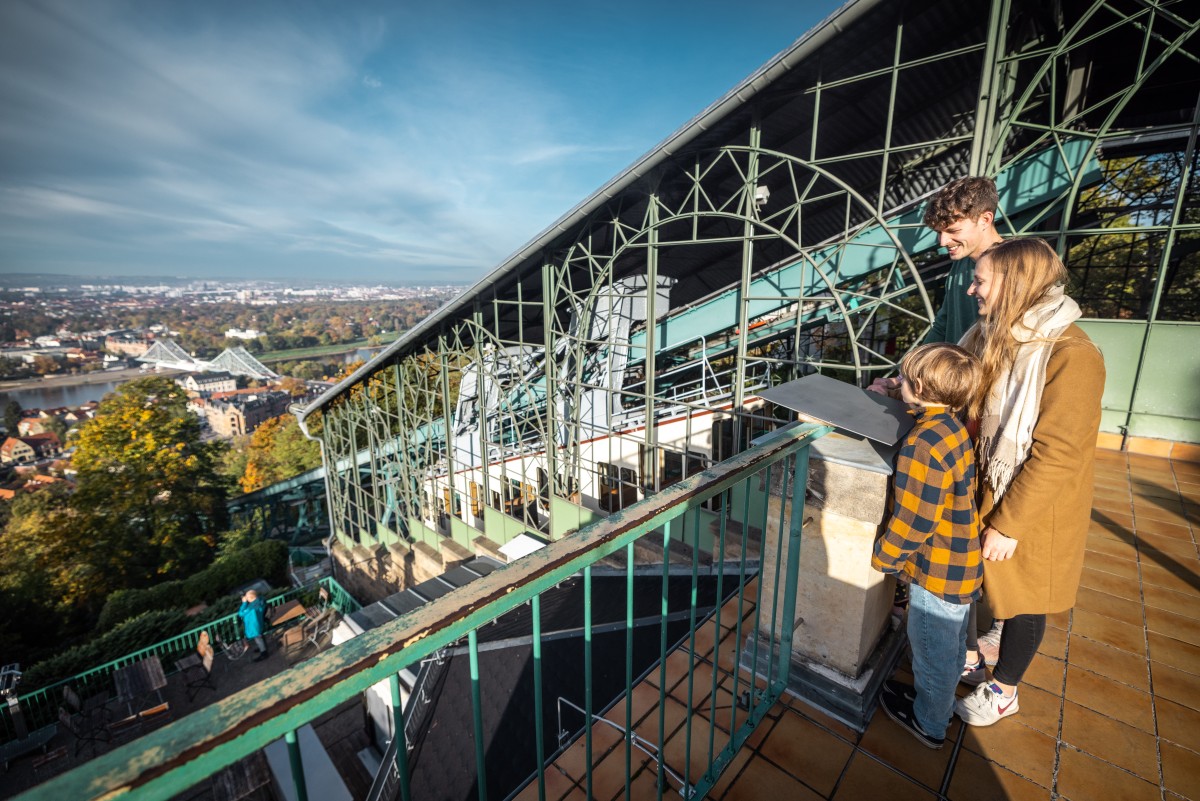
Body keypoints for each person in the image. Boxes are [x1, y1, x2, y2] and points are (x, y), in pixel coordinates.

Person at [954, 237, 1104, 726]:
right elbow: (958, 381)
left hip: (1034, 504)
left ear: (1015, 284)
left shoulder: (1072, 353)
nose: (972, 290)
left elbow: (1058, 452)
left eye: (981, 281)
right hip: (994, 483)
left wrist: (1009, 523)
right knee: (1002, 591)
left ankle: (1005, 690)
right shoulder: (994, 333)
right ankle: (984, 659)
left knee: (1025, 599)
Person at [872, 176, 1007, 663]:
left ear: (984, 219)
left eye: (952, 232)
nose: (942, 243)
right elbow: (942, 331)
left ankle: (963, 646)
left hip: (973, 413)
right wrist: (903, 375)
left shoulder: (1007, 271)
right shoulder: (961, 271)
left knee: (955, 516)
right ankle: (955, 636)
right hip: (952, 403)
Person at [871, 343, 984, 749]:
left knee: (932, 653)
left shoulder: (922, 445)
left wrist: (885, 557)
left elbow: (916, 519)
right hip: (959, 561)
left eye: (903, 377)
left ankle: (929, 724)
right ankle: (935, 706)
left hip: (936, 572)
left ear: (919, 386)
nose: (898, 381)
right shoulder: (950, 425)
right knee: (950, 650)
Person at [238, 589, 269, 662]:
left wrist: (244, 603)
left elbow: (241, 613)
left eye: (247, 597)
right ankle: (263, 647)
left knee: (258, 638)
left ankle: (264, 653)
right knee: (260, 636)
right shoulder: (260, 601)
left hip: (254, 626)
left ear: (251, 598)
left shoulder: (251, 608)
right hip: (259, 623)